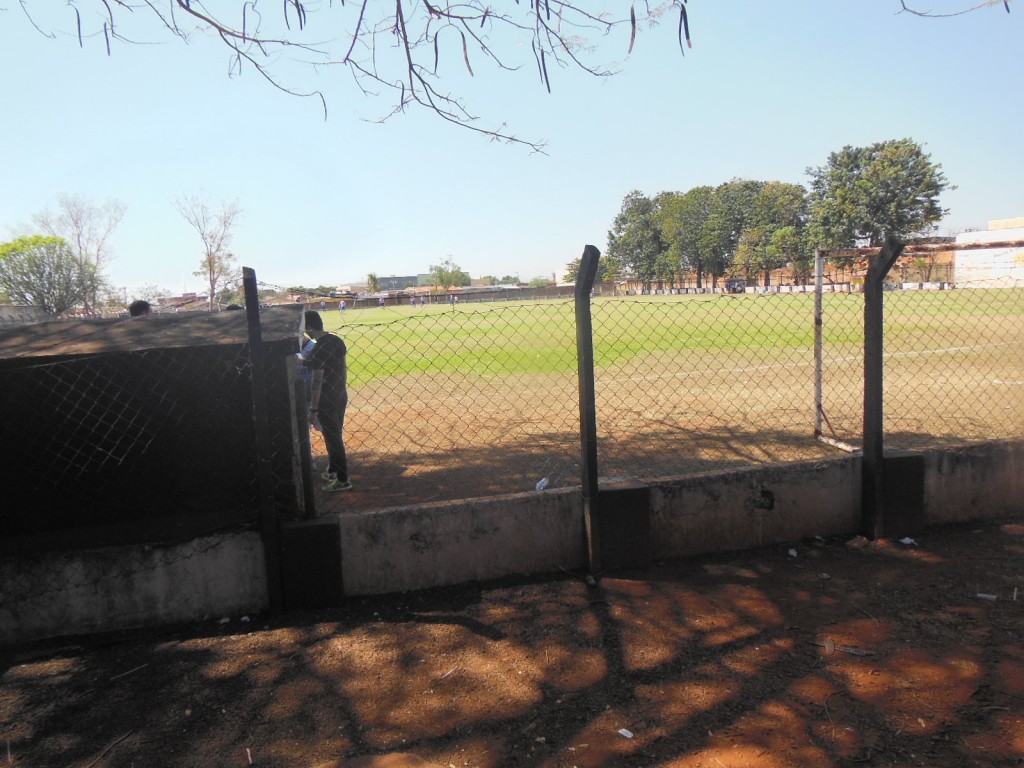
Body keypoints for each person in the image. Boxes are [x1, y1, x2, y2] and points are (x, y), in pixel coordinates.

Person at [303, 310, 352, 492]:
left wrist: (314, 410)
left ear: (308, 327)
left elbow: (317, 381)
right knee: (335, 434)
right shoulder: (336, 341)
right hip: (340, 393)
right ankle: (333, 470)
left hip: (325, 399)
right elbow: (342, 368)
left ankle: (342, 479)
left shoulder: (317, 348)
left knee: (333, 438)